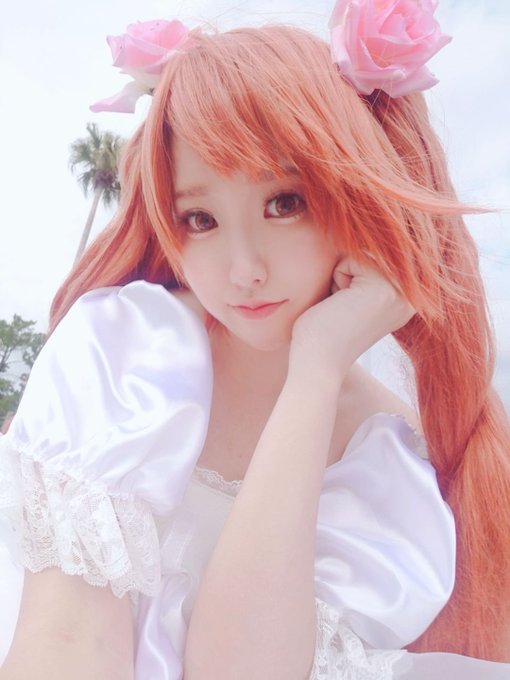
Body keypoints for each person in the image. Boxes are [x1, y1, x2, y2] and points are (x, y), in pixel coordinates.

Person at [1, 2, 510, 678]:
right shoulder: (127, 354)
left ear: (359, 196)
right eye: (200, 218)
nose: (243, 270)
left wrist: (316, 372)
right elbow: (67, 647)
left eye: (285, 204)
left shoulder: (383, 454)